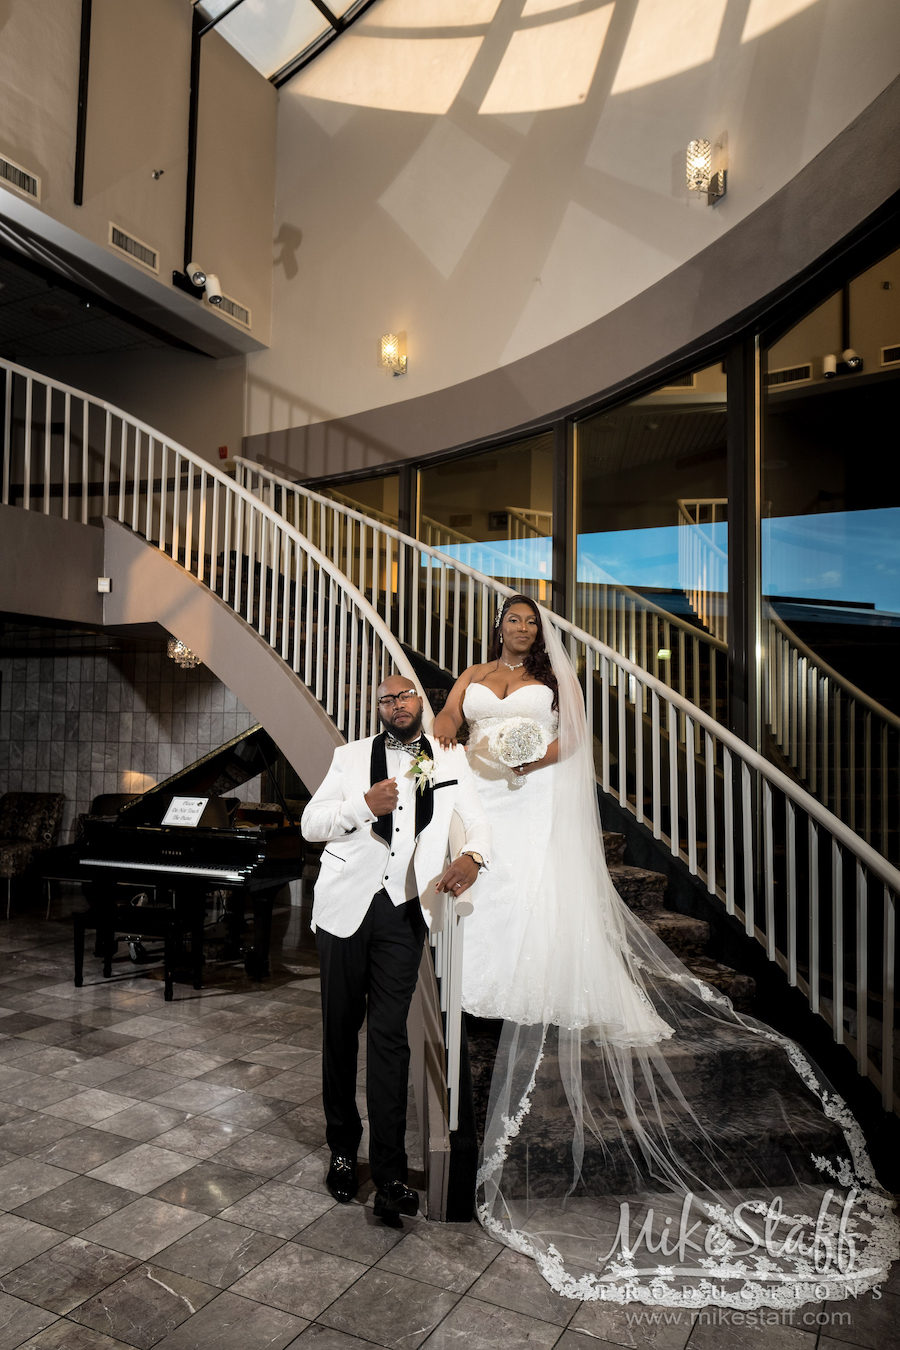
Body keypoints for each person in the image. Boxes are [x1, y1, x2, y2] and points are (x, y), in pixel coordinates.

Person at [432, 594, 899, 1308]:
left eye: (529, 622)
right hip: (485, 796)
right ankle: (476, 980)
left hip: (531, 794)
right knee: (481, 877)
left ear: (540, 631)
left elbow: (572, 743)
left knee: (532, 887)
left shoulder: (558, 682)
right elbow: (443, 729)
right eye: (511, 620)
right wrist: (467, 751)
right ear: (497, 624)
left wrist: (522, 760)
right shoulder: (470, 673)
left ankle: (539, 977)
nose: (519, 629)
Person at [301, 673, 490, 1227]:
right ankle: (341, 1149)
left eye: (405, 695)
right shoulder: (349, 757)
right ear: (377, 708)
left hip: (405, 912)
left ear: (421, 702)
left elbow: (477, 822)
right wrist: (361, 804)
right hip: (343, 910)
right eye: (386, 698)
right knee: (339, 1032)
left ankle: (389, 1176)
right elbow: (312, 825)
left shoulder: (451, 759)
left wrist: (472, 857)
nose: (396, 704)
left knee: (389, 1039)